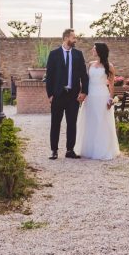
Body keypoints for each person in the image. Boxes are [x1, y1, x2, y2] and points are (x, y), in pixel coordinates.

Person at [45, 28, 89, 160]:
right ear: (66, 38)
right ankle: (54, 150)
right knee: (55, 123)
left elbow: (84, 75)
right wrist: (50, 94)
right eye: (73, 37)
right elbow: (49, 76)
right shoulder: (54, 54)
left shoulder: (78, 54)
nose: (75, 40)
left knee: (72, 123)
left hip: (73, 96)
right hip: (58, 95)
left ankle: (70, 150)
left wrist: (84, 92)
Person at [74, 42, 120, 160]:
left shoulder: (109, 66)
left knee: (101, 122)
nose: (92, 50)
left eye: (94, 49)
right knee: (89, 121)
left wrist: (110, 99)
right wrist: (83, 93)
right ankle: (88, 149)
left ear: (100, 51)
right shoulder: (90, 64)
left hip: (102, 96)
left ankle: (102, 150)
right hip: (90, 96)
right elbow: (86, 81)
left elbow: (111, 84)